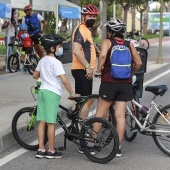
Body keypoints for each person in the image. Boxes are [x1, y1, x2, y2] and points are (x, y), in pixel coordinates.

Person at [94, 19, 142, 157]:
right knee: (120, 116)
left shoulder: (107, 42)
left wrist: (98, 70)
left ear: (110, 31)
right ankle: (118, 148)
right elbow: (138, 62)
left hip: (109, 82)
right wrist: (130, 74)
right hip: (125, 84)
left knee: (100, 113)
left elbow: (102, 55)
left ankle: (91, 144)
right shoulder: (129, 45)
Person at [33, 34, 75, 159]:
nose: (61, 48)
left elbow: (35, 75)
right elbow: (64, 80)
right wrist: (72, 93)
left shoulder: (42, 60)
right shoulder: (56, 62)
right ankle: (51, 150)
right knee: (51, 123)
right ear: (52, 48)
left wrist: (44, 77)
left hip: (42, 92)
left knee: (42, 122)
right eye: (59, 46)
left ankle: (41, 149)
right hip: (52, 93)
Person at [71, 4, 100, 154]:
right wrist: (88, 66)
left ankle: (74, 127)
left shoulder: (86, 30)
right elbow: (76, 50)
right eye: (90, 16)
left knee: (80, 100)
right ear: (84, 16)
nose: (93, 19)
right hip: (82, 70)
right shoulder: (81, 29)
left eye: (94, 17)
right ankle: (83, 139)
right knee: (86, 102)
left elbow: (90, 47)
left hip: (82, 70)